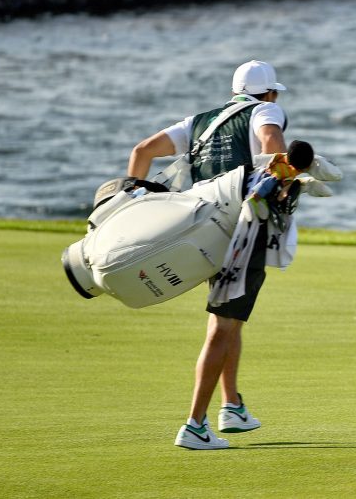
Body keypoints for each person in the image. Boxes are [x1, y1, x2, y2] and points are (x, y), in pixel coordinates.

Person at [128, 60, 291, 449]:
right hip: (244, 231)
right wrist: (282, 179)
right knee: (222, 327)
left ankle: (231, 405)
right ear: (269, 92)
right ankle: (195, 425)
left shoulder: (200, 121)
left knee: (229, 320)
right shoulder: (266, 109)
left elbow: (143, 151)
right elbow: (270, 142)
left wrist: (133, 199)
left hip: (205, 235)